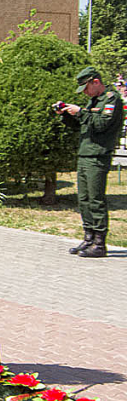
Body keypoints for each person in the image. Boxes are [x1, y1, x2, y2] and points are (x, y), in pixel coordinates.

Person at [55, 67, 125, 258]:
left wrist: (80, 112)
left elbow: (101, 124)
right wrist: (67, 114)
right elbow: (82, 125)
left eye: (86, 88)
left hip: (98, 155)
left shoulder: (111, 99)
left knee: (95, 198)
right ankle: (89, 237)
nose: (85, 92)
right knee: (84, 199)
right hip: (85, 154)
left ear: (95, 82)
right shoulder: (93, 101)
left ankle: (100, 243)